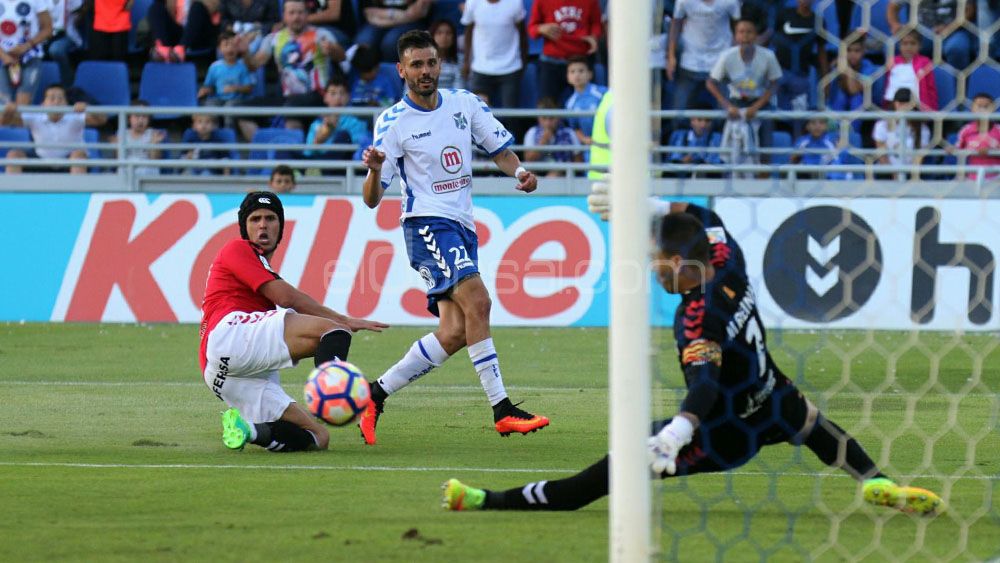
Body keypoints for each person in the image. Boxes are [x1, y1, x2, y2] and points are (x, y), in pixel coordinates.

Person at [442, 201, 944, 517]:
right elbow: (711, 219)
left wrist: (677, 433)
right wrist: (650, 207)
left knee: (603, 476)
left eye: (656, 260)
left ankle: (485, 499)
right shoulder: (732, 267)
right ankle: (877, 482)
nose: (652, 269)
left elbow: (704, 384)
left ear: (678, 264)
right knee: (811, 424)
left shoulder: (697, 316)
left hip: (722, 431)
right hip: (771, 396)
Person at [359, 30, 549, 445]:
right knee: (479, 301)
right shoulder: (392, 122)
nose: (425, 72)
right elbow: (372, 199)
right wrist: (374, 169)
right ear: (401, 70)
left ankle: (374, 395)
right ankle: (502, 409)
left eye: (431, 63)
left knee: (455, 332)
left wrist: (519, 173)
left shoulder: (465, 103)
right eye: (416, 65)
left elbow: (499, 150)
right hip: (426, 224)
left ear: (440, 63)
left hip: (462, 226)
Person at [201, 191, 388, 452]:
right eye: (255, 219)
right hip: (229, 336)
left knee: (318, 437)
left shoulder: (259, 266)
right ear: (244, 228)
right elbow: (285, 297)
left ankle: (247, 430)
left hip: (223, 376)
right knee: (334, 331)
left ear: (281, 227)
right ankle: (334, 389)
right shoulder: (237, 248)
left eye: (270, 218)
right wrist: (343, 319)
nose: (263, 225)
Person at [237, 0, 346, 139]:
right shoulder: (274, 39)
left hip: (317, 96)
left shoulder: (321, 34)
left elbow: (342, 57)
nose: (296, 17)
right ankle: (262, 152)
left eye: (300, 12)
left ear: (307, 14)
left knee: (291, 109)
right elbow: (254, 65)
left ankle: (294, 155)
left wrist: (332, 50)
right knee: (241, 111)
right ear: (284, 16)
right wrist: (245, 52)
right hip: (287, 98)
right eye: (292, 13)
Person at [706, 17, 782, 166]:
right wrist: (727, 105)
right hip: (735, 103)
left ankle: (762, 179)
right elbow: (710, 82)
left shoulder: (768, 56)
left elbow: (775, 84)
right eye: (741, 32)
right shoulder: (727, 56)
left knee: (765, 144)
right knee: (731, 147)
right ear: (735, 35)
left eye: (749, 32)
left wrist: (757, 106)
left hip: (760, 103)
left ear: (756, 35)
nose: (745, 36)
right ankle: (729, 178)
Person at [666, 0, 740, 132]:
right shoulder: (684, 1)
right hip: (690, 62)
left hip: (721, 64)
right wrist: (671, 56)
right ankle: (681, 148)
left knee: (727, 114)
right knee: (679, 114)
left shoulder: (730, 2)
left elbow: (738, 28)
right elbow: (675, 25)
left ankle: (720, 148)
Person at [2, 84, 106, 174]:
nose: (56, 102)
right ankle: (12, 196)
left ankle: (78, 196)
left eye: (60, 99)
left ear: (66, 103)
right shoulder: (35, 117)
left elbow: (102, 120)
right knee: (14, 155)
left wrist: (88, 108)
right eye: (52, 98)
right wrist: (8, 112)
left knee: (78, 155)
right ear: (43, 105)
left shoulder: (75, 116)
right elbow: (4, 122)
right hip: (41, 162)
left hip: (69, 162)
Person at [527, 0, 603, 104]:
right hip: (552, 61)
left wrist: (594, 36)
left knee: (588, 103)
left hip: (580, 60)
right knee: (546, 106)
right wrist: (541, 29)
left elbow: (596, 24)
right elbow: (532, 30)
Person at [460, 0, 526, 110]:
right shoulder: (472, 2)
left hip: (510, 67)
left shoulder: (515, 2)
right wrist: (466, 61)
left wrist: (523, 62)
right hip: (481, 67)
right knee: (477, 112)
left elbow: (523, 35)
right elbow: (468, 32)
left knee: (511, 115)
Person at [887, 0, 974, 72]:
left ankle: (958, 87)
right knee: (894, 46)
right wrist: (895, 24)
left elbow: (969, 9)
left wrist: (949, 27)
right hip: (921, 32)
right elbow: (893, 6)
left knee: (957, 48)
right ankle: (903, 84)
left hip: (953, 31)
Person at [305, 76, 370, 164]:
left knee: (343, 136)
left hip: (344, 166)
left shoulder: (357, 123)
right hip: (320, 164)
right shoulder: (316, 124)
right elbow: (308, 153)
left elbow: (359, 151)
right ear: (325, 97)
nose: (338, 97)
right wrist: (319, 138)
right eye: (333, 93)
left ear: (348, 96)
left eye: (342, 93)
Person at [199, 30, 256, 128]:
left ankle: (229, 135)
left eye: (233, 45)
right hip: (218, 98)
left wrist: (235, 88)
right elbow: (209, 86)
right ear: (220, 49)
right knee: (209, 108)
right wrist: (205, 90)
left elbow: (249, 88)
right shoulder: (214, 67)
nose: (230, 48)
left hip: (237, 100)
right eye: (226, 45)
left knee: (229, 109)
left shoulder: (242, 66)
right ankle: (213, 134)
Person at [0, 0, 52, 105]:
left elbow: (48, 29)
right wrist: (4, 56)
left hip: (30, 57)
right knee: (4, 105)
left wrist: (26, 46)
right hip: (2, 59)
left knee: (23, 105)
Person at [873, 88, 931, 180]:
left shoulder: (923, 129)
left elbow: (919, 157)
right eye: (900, 103)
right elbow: (882, 155)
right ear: (894, 104)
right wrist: (894, 174)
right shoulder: (882, 125)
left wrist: (911, 177)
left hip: (911, 172)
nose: (903, 107)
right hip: (887, 172)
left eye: (906, 103)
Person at [356, 0, 432, 63]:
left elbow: (418, 12)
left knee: (390, 43)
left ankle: (392, 75)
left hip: (411, 22)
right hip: (379, 20)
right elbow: (369, 13)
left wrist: (392, 17)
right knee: (363, 40)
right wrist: (398, 15)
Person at [523, 96, 582, 176]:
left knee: (555, 174)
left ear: (558, 117)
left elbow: (579, 162)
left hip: (562, 176)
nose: (548, 123)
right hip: (538, 173)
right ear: (538, 118)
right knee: (530, 173)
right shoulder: (532, 133)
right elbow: (528, 161)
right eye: (544, 118)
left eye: (551, 118)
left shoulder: (569, 133)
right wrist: (542, 142)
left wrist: (563, 167)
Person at [882, 29, 939, 112]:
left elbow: (931, 88)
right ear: (899, 45)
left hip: (916, 106)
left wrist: (932, 108)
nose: (909, 47)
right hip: (894, 104)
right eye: (905, 43)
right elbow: (887, 85)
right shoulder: (893, 62)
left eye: (913, 43)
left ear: (920, 46)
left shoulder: (924, 63)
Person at [147, 0, 219, 62]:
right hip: (178, 31)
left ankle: (181, 49)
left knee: (197, 7)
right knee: (156, 8)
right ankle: (163, 49)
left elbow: (213, 6)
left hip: (199, 33)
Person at [110, 99, 166, 177]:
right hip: (127, 168)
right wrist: (116, 147)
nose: (140, 120)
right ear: (130, 118)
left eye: (144, 116)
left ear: (149, 119)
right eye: (137, 116)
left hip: (147, 169)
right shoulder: (122, 133)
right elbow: (119, 160)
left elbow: (154, 160)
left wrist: (154, 144)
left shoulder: (153, 133)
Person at [954, 92, 1000, 180]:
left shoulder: (998, 130)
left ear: (993, 109)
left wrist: (991, 151)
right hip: (973, 177)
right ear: (972, 109)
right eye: (979, 106)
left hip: (997, 178)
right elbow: (958, 149)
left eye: (986, 107)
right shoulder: (966, 130)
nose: (982, 110)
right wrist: (951, 149)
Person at [563, 56, 607, 149]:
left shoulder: (602, 93)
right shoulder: (570, 103)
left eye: (581, 71)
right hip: (589, 147)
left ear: (590, 74)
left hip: (608, 142)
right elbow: (575, 127)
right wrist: (584, 139)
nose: (577, 75)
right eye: (572, 72)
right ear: (568, 77)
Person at [428, 19, 462, 90]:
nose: (444, 36)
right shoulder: (422, 60)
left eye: (448, 33)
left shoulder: (461, 60)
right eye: (439, 33)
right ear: (432, 37)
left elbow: (460, 89)